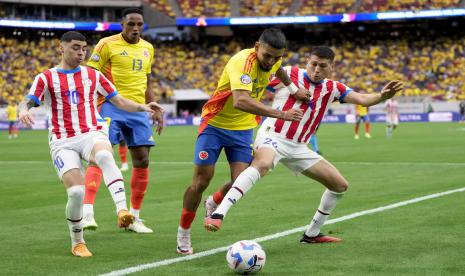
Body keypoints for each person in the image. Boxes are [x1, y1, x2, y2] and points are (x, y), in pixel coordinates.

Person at [204, 46, 403, 244]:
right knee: (262, 164)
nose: (316, 69)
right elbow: (257, 82)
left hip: (299, 147)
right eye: (313, 64)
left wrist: (382, 96)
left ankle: (312, 234)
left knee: (339, 185)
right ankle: (218, 214)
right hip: (273, 135)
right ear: (307, 62)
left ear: (331, 67)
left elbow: (362, 99)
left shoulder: (334, 88)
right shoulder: (289, 73)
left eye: (322, 66)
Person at [17, 31, 162, 257]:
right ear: (61, 48)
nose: (81, 52)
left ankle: (122, 210)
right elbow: (28, 101)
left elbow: (119, 101)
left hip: (91, 133)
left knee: (104, 155)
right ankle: (78, 241)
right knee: (75, 192)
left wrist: (143, 107)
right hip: (63, 141)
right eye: (75, 47)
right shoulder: (46, 77)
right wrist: (24, 110)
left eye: (84, 48)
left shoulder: (93, 76)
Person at [177, 28, 309, 255]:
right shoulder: (242, 63)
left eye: (277, 57)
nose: (272, 61)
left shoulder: (274, 60)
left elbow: (279, 71)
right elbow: (240, 101)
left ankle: (214, 201)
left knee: (241, 181)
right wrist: (282, 114)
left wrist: (293, 89)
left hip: (243, 129)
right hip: (215, 125)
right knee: (201, 181)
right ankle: (183, 233)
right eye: (267, 55)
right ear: (257, 46)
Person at [82, 8, 163, 234]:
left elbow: (146, 80)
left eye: (139, 24)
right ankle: (87, 212)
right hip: (111, 105)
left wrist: (153, 105)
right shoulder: (106, 44)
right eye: (131, 24)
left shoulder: (148, 48)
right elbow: (90, 75)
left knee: (143, 159)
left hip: (138, 109)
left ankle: (133, 218)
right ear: (122, 24)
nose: (135, 29)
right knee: (101, 155)